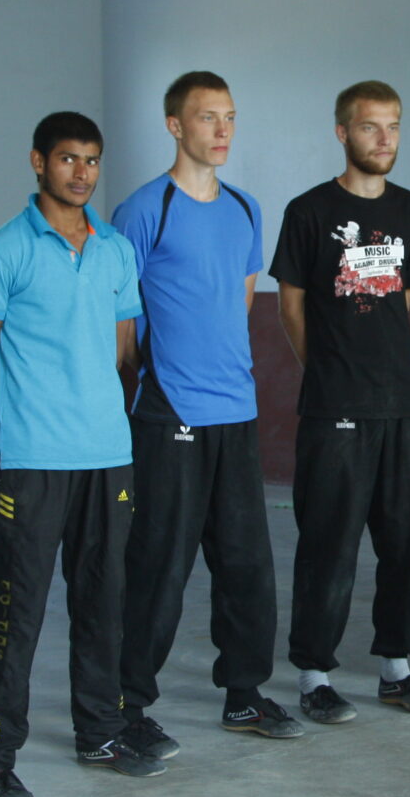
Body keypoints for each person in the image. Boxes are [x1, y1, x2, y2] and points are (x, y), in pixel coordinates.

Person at [0, 112, 154, 797]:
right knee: (14, 614)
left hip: (107, 457)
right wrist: (26, 417)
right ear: (38, 161)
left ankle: (100, 732)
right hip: (30, 462)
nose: (82, 173)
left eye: (92, 161)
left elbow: (126, 351)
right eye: (68, 159)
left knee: (104, 603)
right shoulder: (1, 250)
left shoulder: (114, 251)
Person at [110, 72, 305, 745]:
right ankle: (127, 704)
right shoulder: (144, 209)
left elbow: (240, 301)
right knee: (159, 565)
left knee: (247, 562)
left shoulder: (247, 209)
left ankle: (245, 693)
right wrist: (163, 385)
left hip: (236, 413)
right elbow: (119, 319)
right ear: (174, 125)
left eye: (228, 116)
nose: (221, 130)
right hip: (170, 417)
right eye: (205, 117)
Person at [270, 80, 410, 724]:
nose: (385, 139)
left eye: (393, 126)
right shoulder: (309, 211)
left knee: (406, 540)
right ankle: (314, 674)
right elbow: (291, 303)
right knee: (329, 540)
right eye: (371, 127)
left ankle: (397, 668)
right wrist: (327, 368)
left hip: (402, 400)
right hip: (334, 404)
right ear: (342, 132)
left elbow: (403, 297)